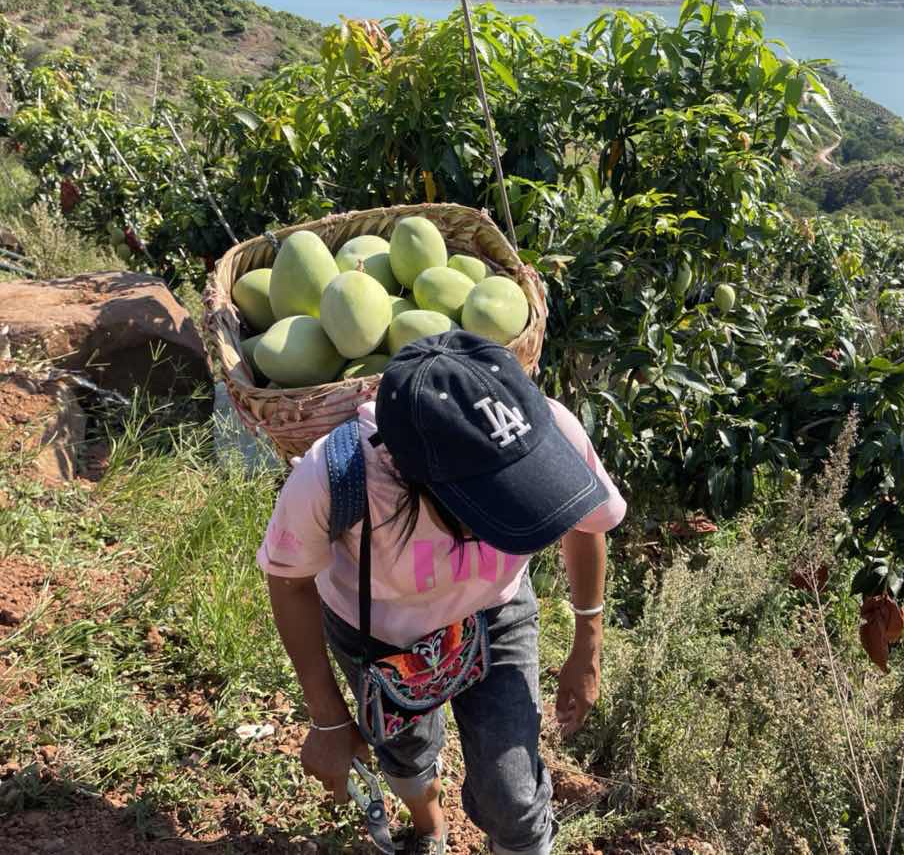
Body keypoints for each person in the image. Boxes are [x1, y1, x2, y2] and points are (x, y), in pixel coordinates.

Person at [258, 331, 627, 855]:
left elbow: (585, 520)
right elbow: (290, 582)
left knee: (514, 796)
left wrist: (588, 638)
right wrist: (328, 718)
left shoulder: (547, 429)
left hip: (494, 614)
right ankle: (430, 828)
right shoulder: (337, 476)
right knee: (404, 754)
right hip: (379, 633)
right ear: (409, 477)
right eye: (489, 504)